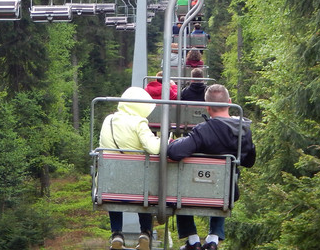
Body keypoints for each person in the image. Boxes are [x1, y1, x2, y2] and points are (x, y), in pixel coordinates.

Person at [167, 85, 256, 250]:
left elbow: (174, 153)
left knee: (178, 183)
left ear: (207, 107)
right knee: (224, 181)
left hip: (192, 192)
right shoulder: (244, 130)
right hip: (225, 194)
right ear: (229, 102)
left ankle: (193, 240)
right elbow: (249, 161)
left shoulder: (203, 131)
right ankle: (213, 237)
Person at [100, 87, 160, 250]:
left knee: (114, 193)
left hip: (109, 182)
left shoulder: (109, 120)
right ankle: (145, 232)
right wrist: (163, 140)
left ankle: (117, 233)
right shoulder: (139, 123)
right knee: (146, 190)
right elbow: (154, 148)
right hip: (137, 184)